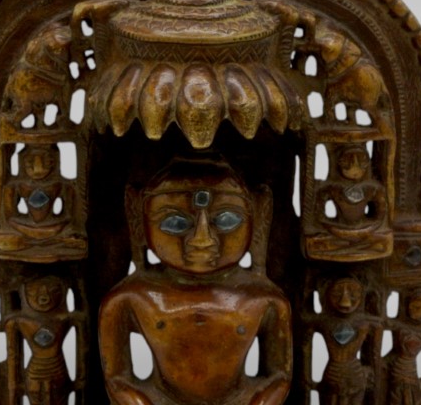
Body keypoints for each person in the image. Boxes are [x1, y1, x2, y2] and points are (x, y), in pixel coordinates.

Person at [99, 158, 292, 405]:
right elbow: (117, 380)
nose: (202, 240)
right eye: (175, 223)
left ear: (259, 216)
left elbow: (279, 377)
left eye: (226, 221)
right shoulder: (130, 300)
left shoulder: (265, 301)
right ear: (138, 222)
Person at [307, 145, 391, 261]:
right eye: (347, 161)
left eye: (361, 161)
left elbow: (380, 215)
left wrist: (366, 229)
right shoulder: (330, 189)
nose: (354, 167)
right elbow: (320, 216)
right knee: (317, 244)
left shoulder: (373, 189)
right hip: (337, 231)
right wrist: (335, 228)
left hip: (366, 232)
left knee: (383, 243)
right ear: (338, 163)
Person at [7, 276, 71, 405]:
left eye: (53, 291)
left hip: (57, 370)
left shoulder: (67, 320)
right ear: (24, 294)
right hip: (35, 373)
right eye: (33, 292)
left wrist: (81, 378)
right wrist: (13, 383)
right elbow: (12, 354)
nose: (44, 297)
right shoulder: (18, 322)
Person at [317, 278, 378, 405]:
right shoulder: (324, 323)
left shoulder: (365, 325)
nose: (345, 302)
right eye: (336, 294)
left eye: (353, 294)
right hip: (333, 375)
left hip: (354, 375)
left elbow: (374, 355)